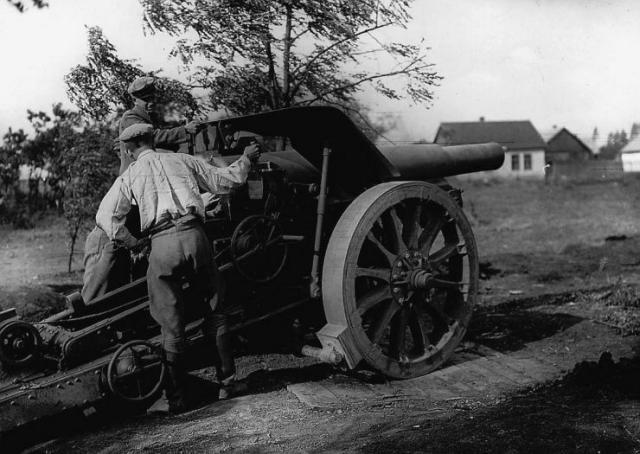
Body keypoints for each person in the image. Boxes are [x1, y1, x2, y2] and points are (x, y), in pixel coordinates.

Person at [96, 123, 260, 413]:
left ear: (129, 148)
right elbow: (226, 182)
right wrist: (246, 157)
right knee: (215, 309)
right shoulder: (181, 159)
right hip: (195, 236)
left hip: (162, 244)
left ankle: (178, 400)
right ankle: (228, 383)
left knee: (170, 324)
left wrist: (134, 243)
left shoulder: (131, 174)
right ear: (151, 139)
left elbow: (106, 217)